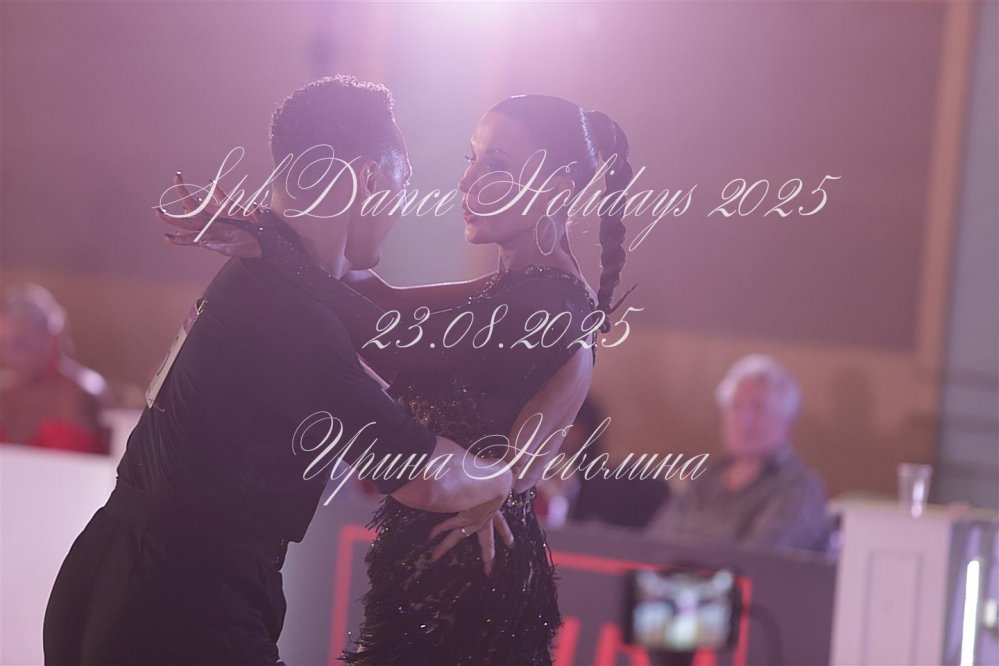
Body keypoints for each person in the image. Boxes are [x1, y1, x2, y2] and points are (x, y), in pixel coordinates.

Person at [42, 76, 517, 666]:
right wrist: (504, 477)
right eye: (402, 186)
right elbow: (422, 477)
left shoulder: (260, 272)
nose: (399, 209)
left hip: (113, 569)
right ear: (369, 178)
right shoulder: (295, 315)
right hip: (184, 600)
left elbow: (371, 306)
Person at [165, 91, 634, 664]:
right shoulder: (512, 291)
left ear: (557, 190)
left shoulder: (550, 303)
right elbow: (375, 298)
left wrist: (273, 247)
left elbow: (386, 334)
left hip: (468, 585)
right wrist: (272, 227)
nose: (467, 183)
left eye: (497, 166)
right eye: (471, 159)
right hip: (433, 564)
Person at [647, 354, 832, 553]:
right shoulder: (706, 475)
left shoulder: (800, 487)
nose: (743, 420)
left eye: (758, 409)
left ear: (787, 423)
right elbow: (654, 543)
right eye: (735, 407)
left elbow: (758, 561)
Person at [0, 283, 110, 454]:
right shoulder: (6, 392)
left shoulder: (81, 392)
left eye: (20, 345)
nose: (7, 358)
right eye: (2, 345)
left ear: (51, 339)